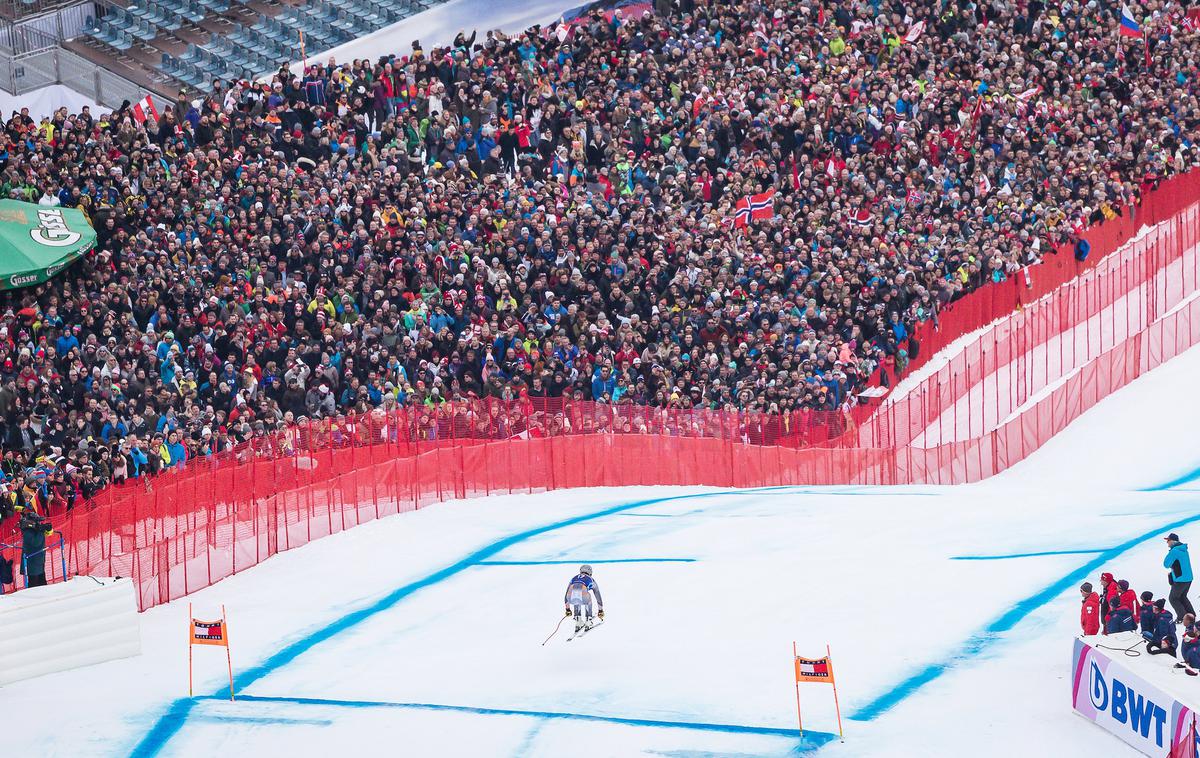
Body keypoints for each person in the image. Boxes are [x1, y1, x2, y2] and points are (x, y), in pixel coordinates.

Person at [563, 564, 604, 633]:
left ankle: (578, 620)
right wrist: (600, 610)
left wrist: (568, 609)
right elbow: (598, 596)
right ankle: (588, 620)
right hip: (584, 598)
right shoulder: (591, 579)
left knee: (576, 593)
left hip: (570, 599)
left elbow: (567, 593)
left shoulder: (573, 578)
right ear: (590, 572)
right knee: (587, 596)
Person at [18, 509, 53, 587]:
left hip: (39, 561)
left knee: (42, 583)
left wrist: (48, 529)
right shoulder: (27, 531)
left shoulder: (36, 529)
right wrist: (41, 531)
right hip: (31, 563)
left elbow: (48, 534)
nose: (39, 523)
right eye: (37, 521)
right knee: (34, 585)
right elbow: (36, 542)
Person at [1164, 533, 1195, 620]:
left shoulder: (1174, 551)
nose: (1167, 543)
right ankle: (1191, 615)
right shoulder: (1183, 549)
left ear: (1173, 541)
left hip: (1180, 579)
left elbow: (1166, 564)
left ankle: (1182, 617)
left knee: (1173, 598)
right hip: (1188, 578)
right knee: (1182, 596)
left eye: (1168, 540)